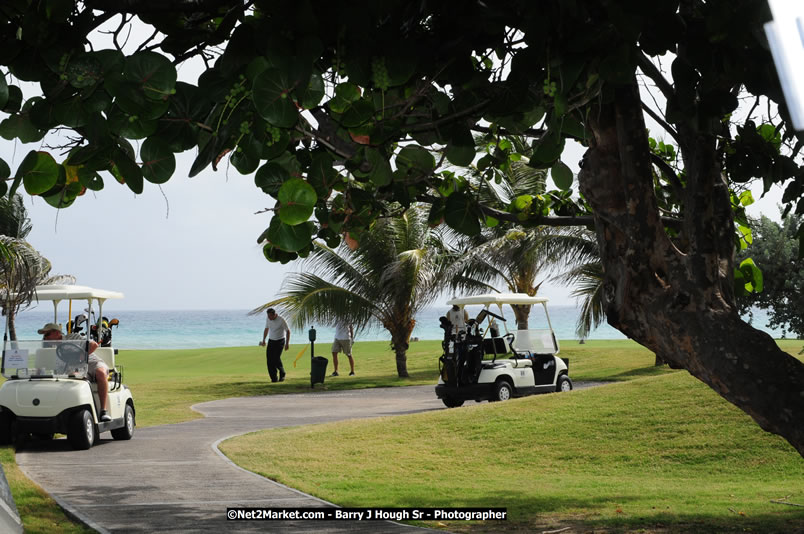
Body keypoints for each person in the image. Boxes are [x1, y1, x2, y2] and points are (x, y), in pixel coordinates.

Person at [38, 323, 111, 422]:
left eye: (47, 335)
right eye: (44, 336)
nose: (45, 338)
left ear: (56, 333)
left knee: (100, 373)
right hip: (76, 369)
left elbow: (94, 345)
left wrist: (82, 354)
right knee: (72, 381)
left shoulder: (72, 337)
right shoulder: (50, 349)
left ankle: (103, 411)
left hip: (92, 362)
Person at [259, 308, 290, 382]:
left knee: (276, 358)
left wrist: (287, 344)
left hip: (280, 341)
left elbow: (288, 331)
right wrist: (263, 340)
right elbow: (266, 329)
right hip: (271, 341)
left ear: (274, 314)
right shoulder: (268, 319)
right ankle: (274, 378)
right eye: (268, 316)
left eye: (270, 316)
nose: (269, 318)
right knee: (269, 360)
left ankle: (282, 373)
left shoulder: (281, 320)